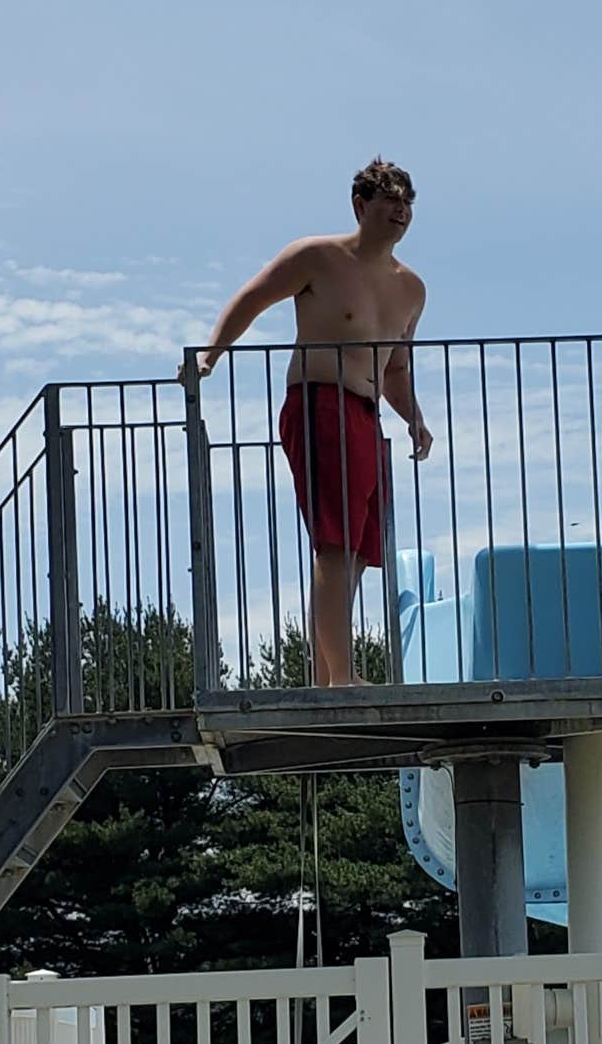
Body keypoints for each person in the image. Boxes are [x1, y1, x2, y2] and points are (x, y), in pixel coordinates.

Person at [184, 158, 435, 687]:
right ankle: (341, 678)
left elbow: (394, 368)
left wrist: (414, 418)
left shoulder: (411, 289)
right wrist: (211, 354)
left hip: (367, 417)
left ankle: (328, 675)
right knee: (335, 542)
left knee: (362, 549)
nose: (401, 211)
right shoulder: (316, 257)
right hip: (319, 403)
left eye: (407, 202)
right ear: (361, 206)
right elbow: (252, 299)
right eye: (390, 200)